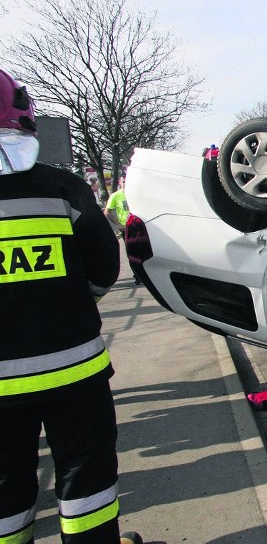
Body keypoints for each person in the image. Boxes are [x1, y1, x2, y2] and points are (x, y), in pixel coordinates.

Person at [0, 69, 142, 544]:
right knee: (87, 483)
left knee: (5, 491)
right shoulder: (62, 189)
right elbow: (104, 266)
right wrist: (72, 304)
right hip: (73, 371)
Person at [104, 176, 140, 285]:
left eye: (127, 181)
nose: (125, 183)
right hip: (126, 228)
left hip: (139, 227)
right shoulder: (116, 196)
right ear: (120, 182)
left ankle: (147, 275)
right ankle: (137, 276)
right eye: (123, 182)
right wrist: (118, 224)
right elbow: (107, 212)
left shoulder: (136, 193)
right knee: (132, 253)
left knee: (144, 251)